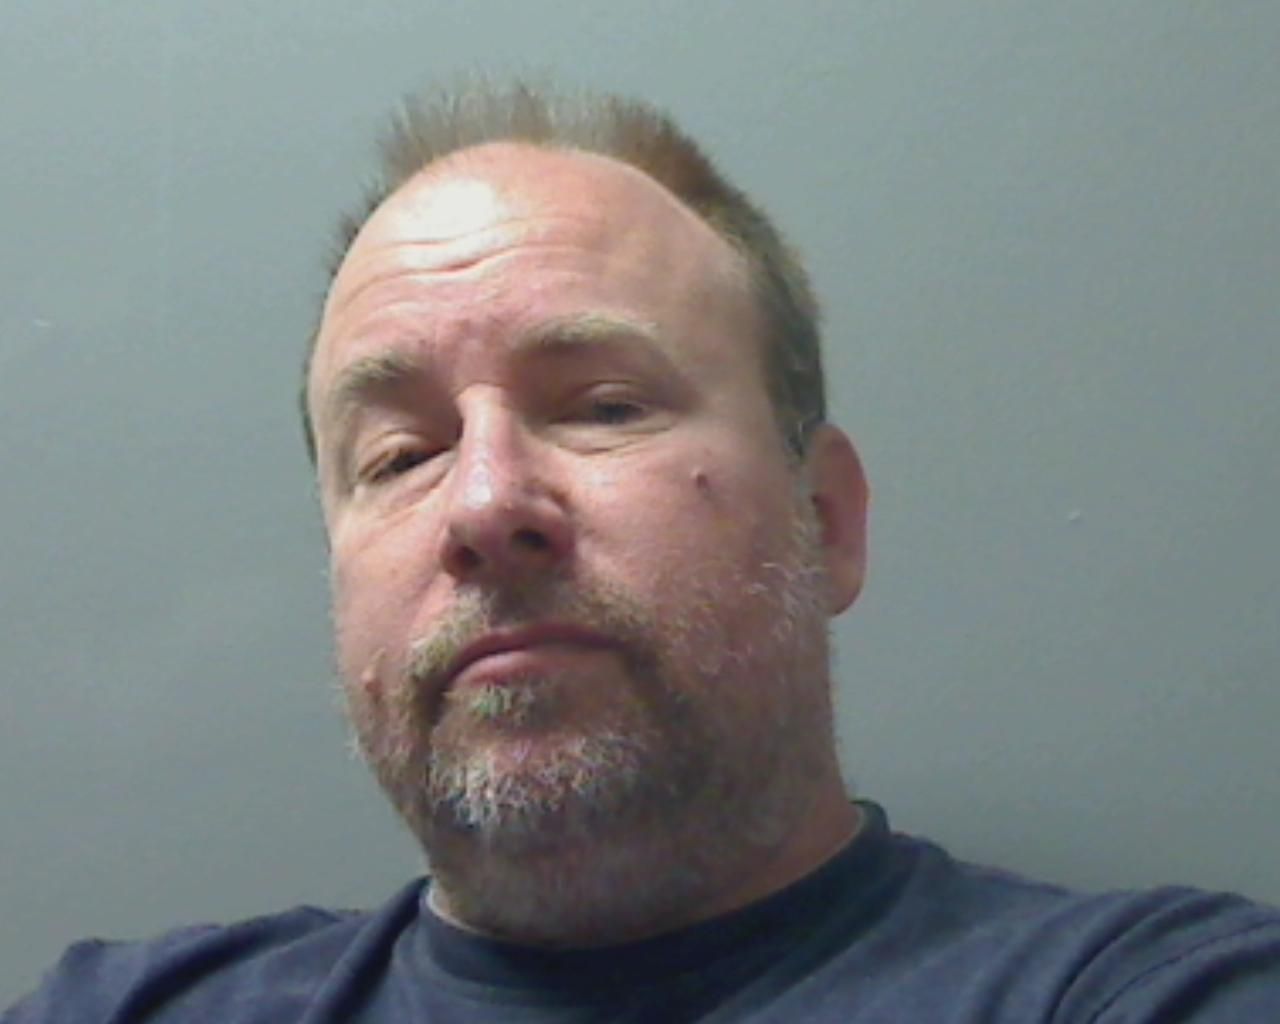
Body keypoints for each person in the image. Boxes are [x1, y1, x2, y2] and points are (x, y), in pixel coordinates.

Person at [7, 81, 1280, 1023]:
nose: (483, 502)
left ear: (825, 519)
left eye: (604, 406)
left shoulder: (1148, 992)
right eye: (399, 455)